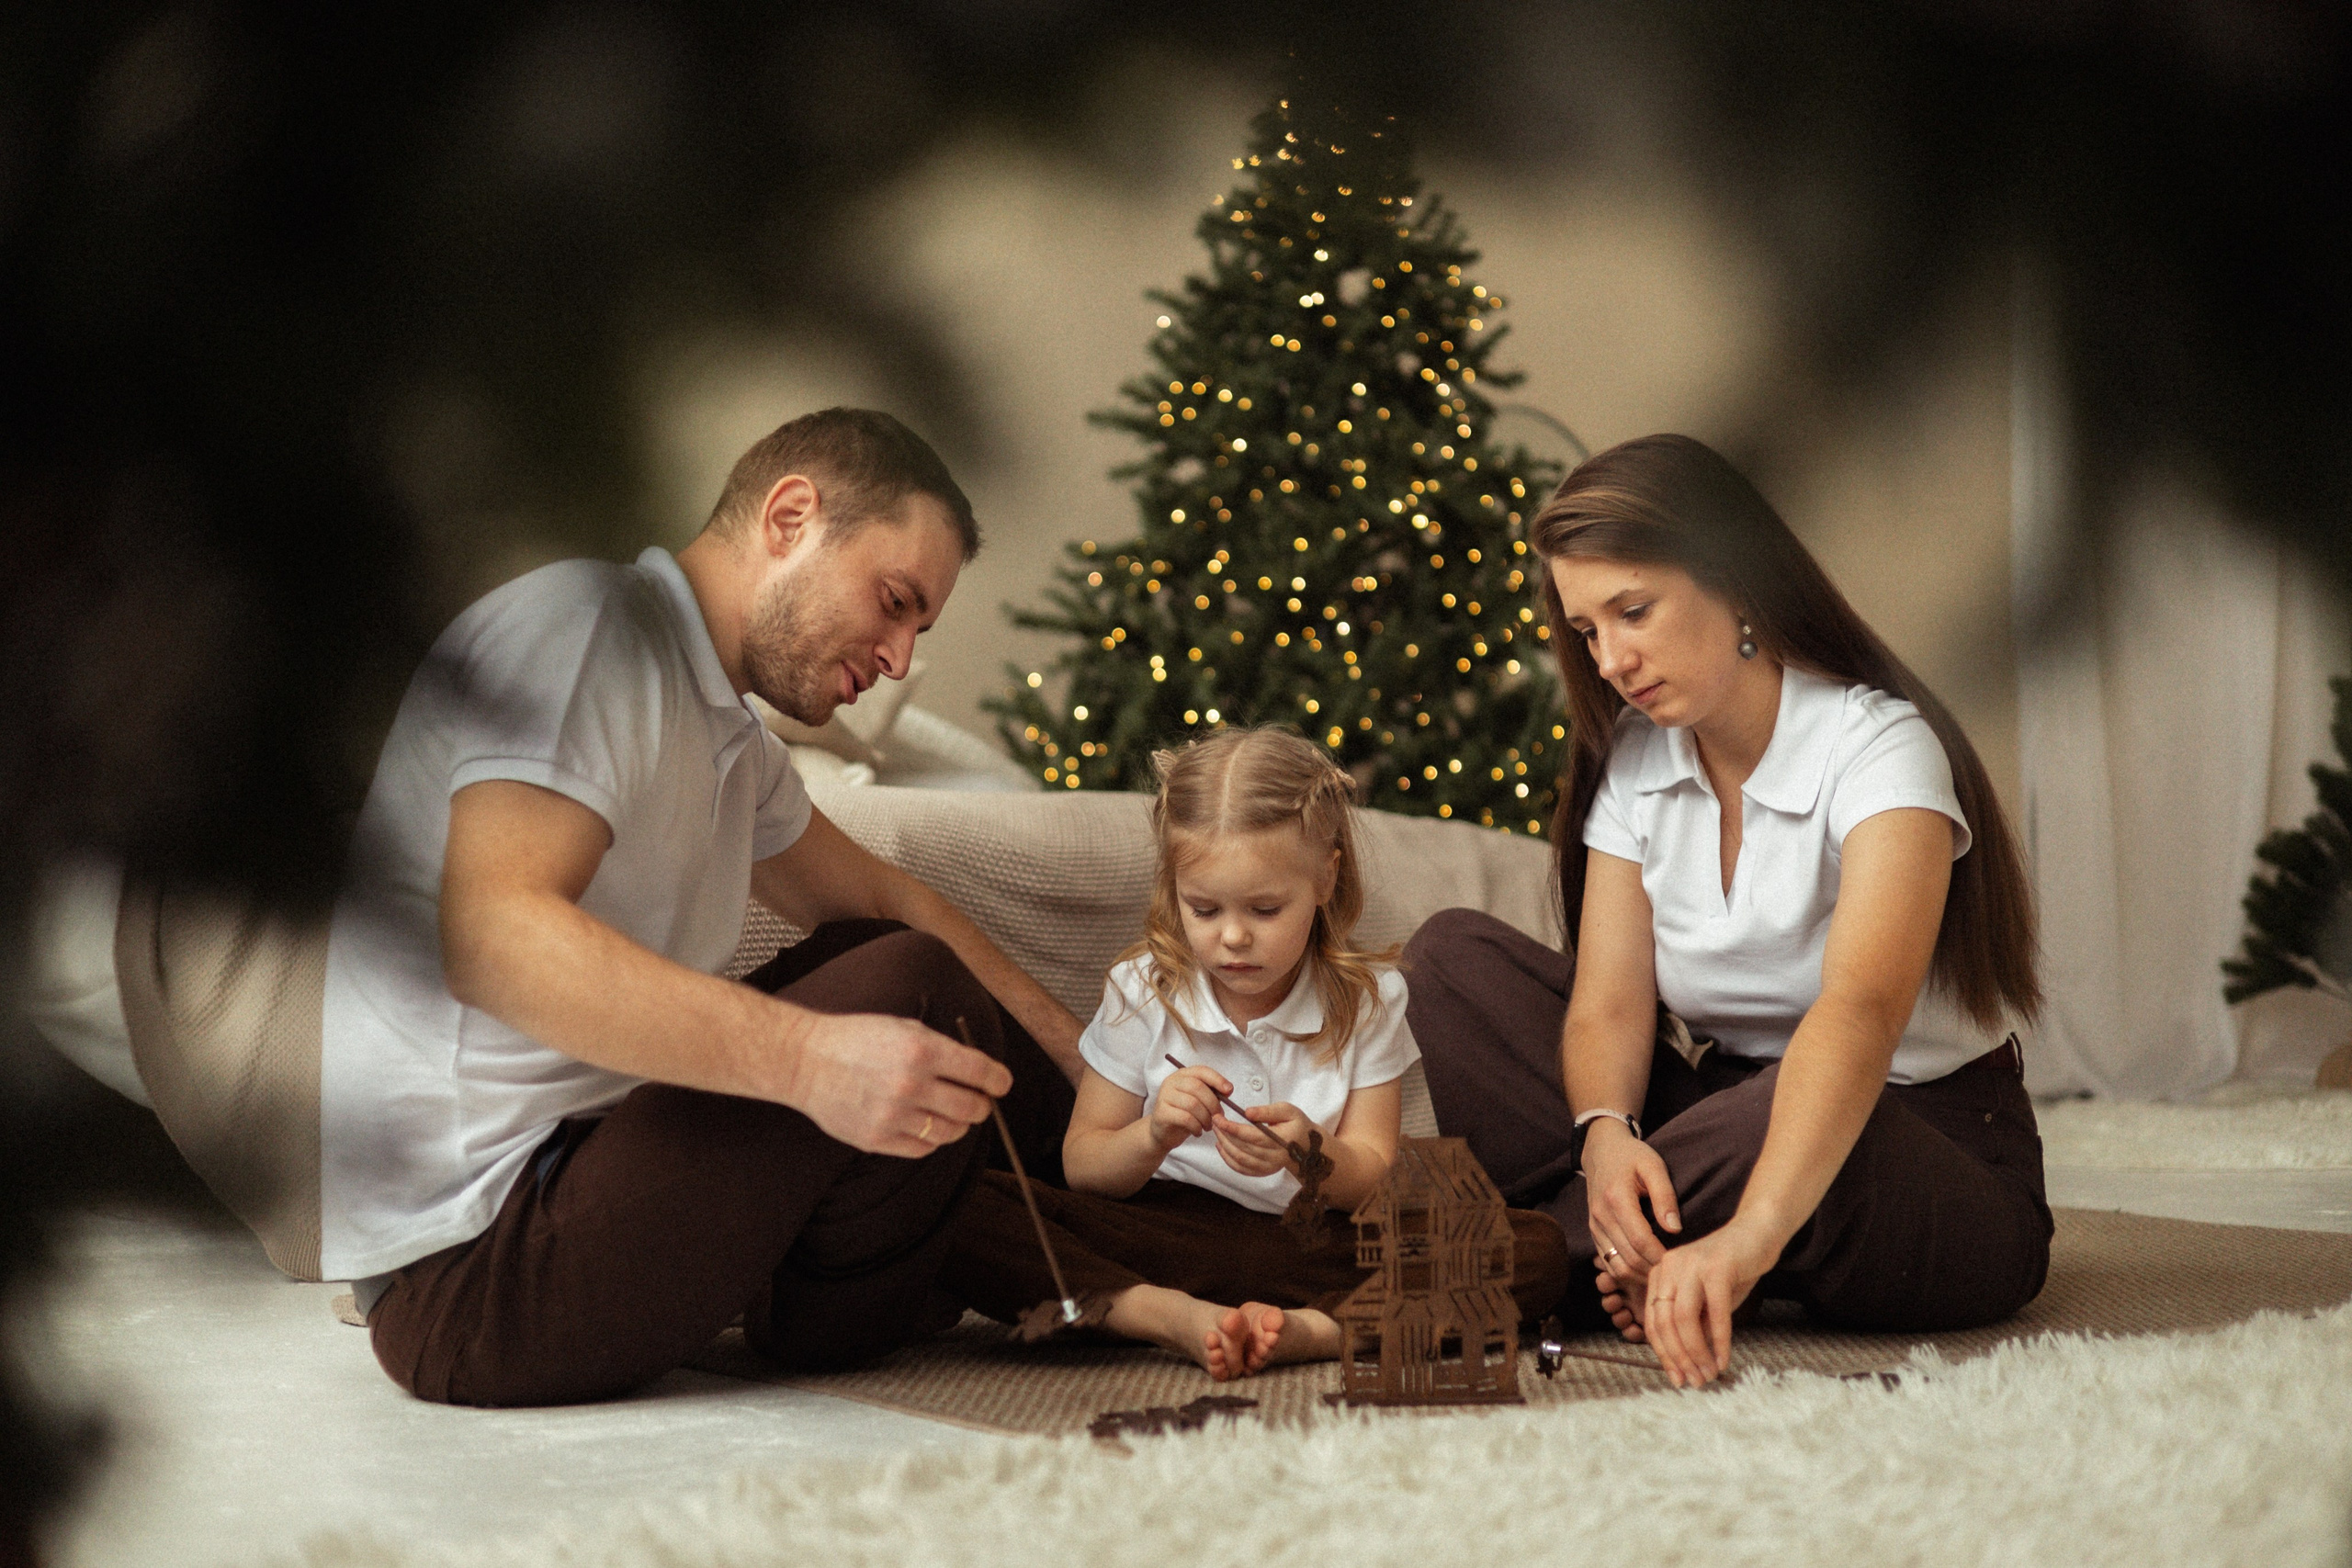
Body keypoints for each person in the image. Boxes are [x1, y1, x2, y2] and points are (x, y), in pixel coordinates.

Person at [330, 407, 1082, 1406]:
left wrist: (1097, 1071)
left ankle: (1149, 1187)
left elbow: (889, 900)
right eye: (894, 602)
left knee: (893, 953)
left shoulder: (726, 735)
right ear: (790, 518)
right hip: (469, 1276)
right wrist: (812, 1062)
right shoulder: (589, 630)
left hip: (581, 1183)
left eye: (918, 628)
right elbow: (493, 939)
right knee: (911, 989)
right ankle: (1160, 1236)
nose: (900, 660)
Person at [1404, 434, 2049, 1389]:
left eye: (1633, 611)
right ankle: (1630, 1235)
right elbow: (1609, 1004)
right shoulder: (1637, 756)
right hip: (1723, 1121)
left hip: (1919, 1150)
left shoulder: (1881, 750)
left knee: (1789, 1112)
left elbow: (1858, 1015)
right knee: (1451, 960)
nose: (1611, 659)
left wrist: (1745, 1239)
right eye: (1587, 631)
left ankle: (1472, 1269)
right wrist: (1604, 1138)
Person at [942, 727, 1568, 1377]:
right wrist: (1152, 1134)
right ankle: (1160, 1315)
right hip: (1163, 1235)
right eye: (1204, 908)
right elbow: (1083, 1165)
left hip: (1314, 1241)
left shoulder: (1370, 1000)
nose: (1233, 937)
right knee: (957, 1201)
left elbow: (1377, 1176)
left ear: (1326, 877)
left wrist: (1313, 1157)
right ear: (1174, 887)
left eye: (1265, 909)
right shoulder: (1142, 989)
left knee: (1535, 1250)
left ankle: (1317, 1331)